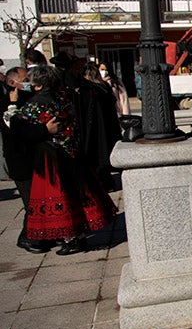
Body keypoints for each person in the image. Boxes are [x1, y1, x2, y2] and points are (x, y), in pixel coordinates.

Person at [12, 65, 117, 255]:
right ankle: (77, 236)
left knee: (60, 198)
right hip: (71, 153)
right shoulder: (63, 100)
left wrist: (13, 113)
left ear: (38, 84)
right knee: (75, 196)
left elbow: (21, 130)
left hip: (50, 159)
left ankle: (70, 239)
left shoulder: (36, 104)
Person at [1, 67, 50, 253]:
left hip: (33, 159)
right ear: (13, 83)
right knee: (30, 202)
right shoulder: (5, 105)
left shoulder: (28, 101)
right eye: (25, 79)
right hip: (19, 161)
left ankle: (39, 235)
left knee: (37, 200)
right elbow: (15, 132)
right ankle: (27, 237)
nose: (28, 82)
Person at [77, 62, 122, 190]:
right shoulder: (104, 88)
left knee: (98, 158)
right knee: (104, 156)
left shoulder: (89, 90)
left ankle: (103, 183)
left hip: (95, 129)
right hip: (108, 127)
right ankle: (107, 182)